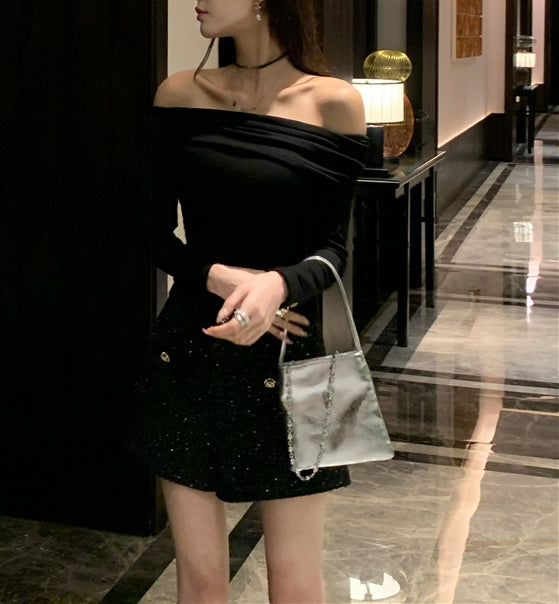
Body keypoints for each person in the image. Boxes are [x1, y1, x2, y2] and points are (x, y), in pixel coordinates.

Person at [131, 1, 368, 602]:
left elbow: (335, 249)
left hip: (298, 353)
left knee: (295, 580)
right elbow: (149, 231)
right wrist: (218, 276)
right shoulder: (179, 94)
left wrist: (278, 285)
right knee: (200, 578)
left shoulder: (334, 102)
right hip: (191, 345)